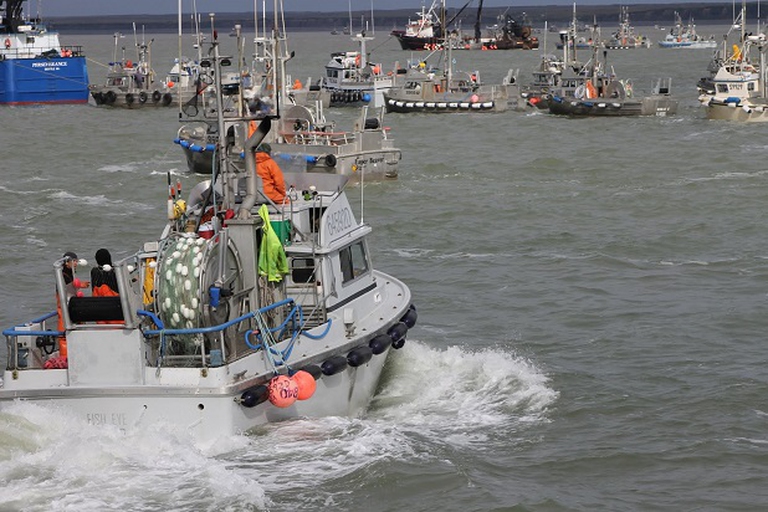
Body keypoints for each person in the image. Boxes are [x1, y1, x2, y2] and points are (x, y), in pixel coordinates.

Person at [56, 251, 89, 359]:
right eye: (74, 261)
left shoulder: (71, 273)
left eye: (76, 261)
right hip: (64, 307)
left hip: (72, 305)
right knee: (64, 333)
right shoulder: (63, 274)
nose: (76, 263)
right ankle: (64, 357)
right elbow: (66, 287)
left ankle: (78, 353)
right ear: (67, 263)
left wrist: (79, 287)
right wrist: (80, 285)